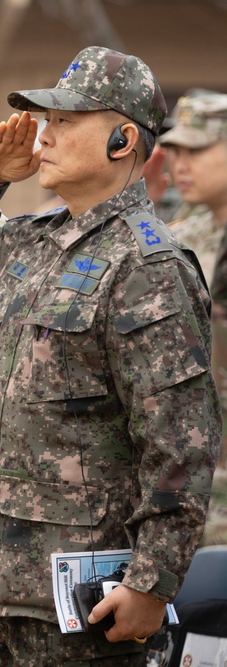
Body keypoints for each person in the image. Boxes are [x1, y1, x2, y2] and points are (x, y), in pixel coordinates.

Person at [0, 46, 221, 664]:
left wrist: (151, 581)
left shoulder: (149, 265)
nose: (43, 138)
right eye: (45, 121)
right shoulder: (34, 241)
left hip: (89, 599)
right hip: (4, 582)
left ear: (121, 140)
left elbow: (180, 444)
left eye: (63, 123)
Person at [160, 93, 227, 547]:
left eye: (197, 150)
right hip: (197, 465)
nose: (179, 164)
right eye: (175, 151)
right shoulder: (181, 239)